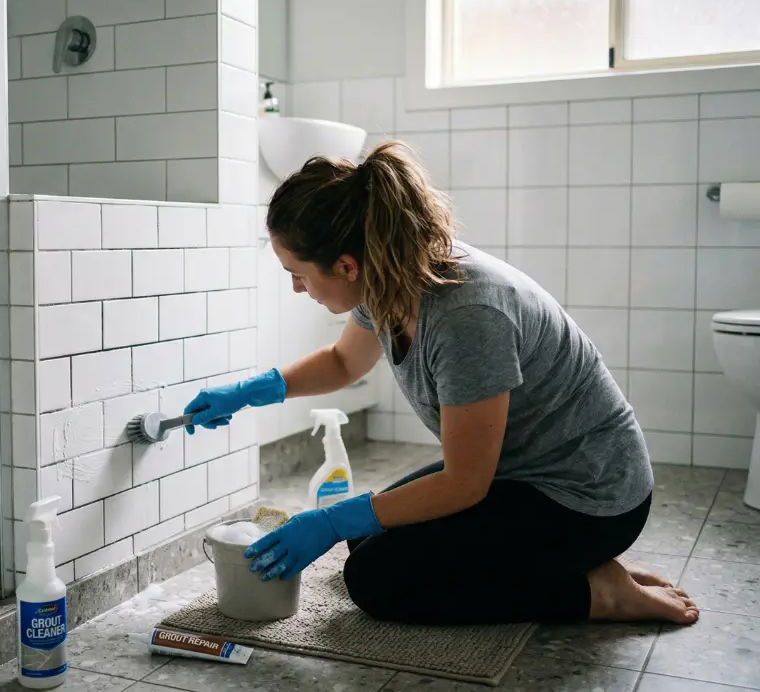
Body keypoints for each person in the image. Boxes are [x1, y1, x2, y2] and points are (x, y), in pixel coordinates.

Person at [183, 141, 699, 627]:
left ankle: (597, 594)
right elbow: (343, 362)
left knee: (376, 579)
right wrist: (249, 392)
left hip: (589, 495)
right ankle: (577, 565)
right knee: (367, 540)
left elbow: (463, 484)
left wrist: (332, 520)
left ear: (346, 265)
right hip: (519, 473)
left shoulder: (467, 314)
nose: (296, 287)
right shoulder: (386, 274)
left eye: (298, 273)